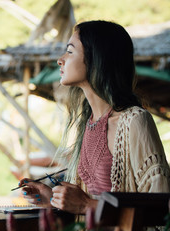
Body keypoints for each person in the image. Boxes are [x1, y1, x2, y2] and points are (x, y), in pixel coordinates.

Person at [19, 20, 170, 216]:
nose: (60, 59)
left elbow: (162, 209)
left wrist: (85, 205)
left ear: (95, 59)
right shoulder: (88, 124)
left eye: (70, 51)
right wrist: (53, 199)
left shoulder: (134, 121)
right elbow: (89, 201)